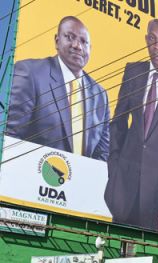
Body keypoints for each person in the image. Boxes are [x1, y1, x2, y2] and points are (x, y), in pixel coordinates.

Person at [104, 18, 158, 233]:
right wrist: (113, 166)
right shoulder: (133, 72)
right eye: (153, 40)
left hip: (157, 202)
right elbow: (118, 122)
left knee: (145, 259)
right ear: (146, 41)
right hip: (122, 189)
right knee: (111, 252)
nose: (157, 47)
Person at [6, 16, 110, 160]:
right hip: (32, 177)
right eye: (70, 37)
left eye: (83, 42)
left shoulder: (100, 96)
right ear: (57, 40)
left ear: (90, 49)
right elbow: (10, 137)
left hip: (81, 181)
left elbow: (102, 155)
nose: (77, 46)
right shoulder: (30, 73)